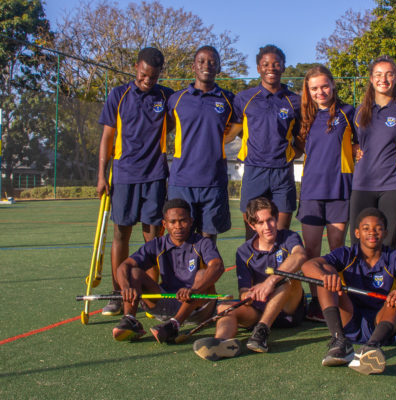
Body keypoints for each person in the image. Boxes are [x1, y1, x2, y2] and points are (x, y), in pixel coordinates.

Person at [97, 47, 174, 316]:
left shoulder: (165, 96)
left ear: (159, 74)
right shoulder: (118, 95)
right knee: (121, 233)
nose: (147, 81)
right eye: (143, 75)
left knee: (152, 236)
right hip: (124, 176)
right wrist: (101, 175)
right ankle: (118, 293)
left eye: (152, 77)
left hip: (155, 175)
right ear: (135, 67)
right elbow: (107, 137)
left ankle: (152, 296)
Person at [302, 208, 396, 375]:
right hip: (350, 319)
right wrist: (325, 276)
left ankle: (371, 348)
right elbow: (307, 266)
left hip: (381, 322)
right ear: (357, 233)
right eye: (366, 228)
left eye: (378, 228)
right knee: (327, 273)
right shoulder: (346, 254)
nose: (372, 232)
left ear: (386, 232)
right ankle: (339, 341)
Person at [192, 197, 307, 361]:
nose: (267, 227)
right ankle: (222, 343)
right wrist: (249, 295)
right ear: (253, 226)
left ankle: (262, 331)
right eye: (260, 223)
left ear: (276, 219)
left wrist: (270, 282)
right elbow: (244, 291)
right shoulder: (243, 252)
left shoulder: (289, 237)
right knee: (225, 307)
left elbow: (300, 255)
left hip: (290, 310)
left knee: (289, 277)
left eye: (270, 220)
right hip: (259, 310)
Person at [112, 198, 225, 343]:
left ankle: (175, 324)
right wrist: (126, 287)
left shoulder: (203, 243)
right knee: (134, 273)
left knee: (203, 274)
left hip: (197, 306)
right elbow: (124, 266)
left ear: (191, 221)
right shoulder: (157, 244)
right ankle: (130, 320)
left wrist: (195, 290)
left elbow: (217, 266)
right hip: (166, 303)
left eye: (183, 221)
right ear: (165, 224)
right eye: (172, 222)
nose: (178, 226)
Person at [295, 65, 356, 322]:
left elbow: (362, 143)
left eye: (324, 86)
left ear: (333, 85)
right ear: (308, 91)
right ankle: (316, 303)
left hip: (339, 191)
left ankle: (339, 301)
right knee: (310, 253)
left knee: (335, 251)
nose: (320, 92)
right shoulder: (304, 118)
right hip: (310, 193)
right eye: (314, 88)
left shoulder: (349, 112)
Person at [230, 45, 301, 239]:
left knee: (281, 234)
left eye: (276, 64)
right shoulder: (244, 98)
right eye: (266, 64)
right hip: (254, 171)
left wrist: (293, 152)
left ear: (284, 67)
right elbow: (235, 130)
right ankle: (251, 269)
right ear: (258, 68)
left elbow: (301, 135)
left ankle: (279, 269)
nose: (271, 68)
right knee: (252, 234)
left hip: (283, 172)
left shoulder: (295, 101)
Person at [166, 45, 235, 244]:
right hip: (181, 182)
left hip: (214, 182)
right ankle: (178, 276)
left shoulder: (229, 100)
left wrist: (222, 140)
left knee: (208, 241)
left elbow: (238, 126)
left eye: (212, 62)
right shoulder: (176, 99)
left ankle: (206, 276)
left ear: (219, 67)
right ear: (193, 66)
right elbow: (165, 128)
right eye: (202, 61)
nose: (207, 65)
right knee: (181, 240)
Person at [349, 55, 396, 251]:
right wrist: (353, 148)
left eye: (389, 74)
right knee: (358, 244)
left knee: (387, 244)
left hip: (394, 185)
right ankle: (358, 283)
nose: (383, 79)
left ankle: (387, 282)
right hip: (362, 185)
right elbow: (353, 141)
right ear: (370, 78)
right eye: (378, 74)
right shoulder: (359, 111)